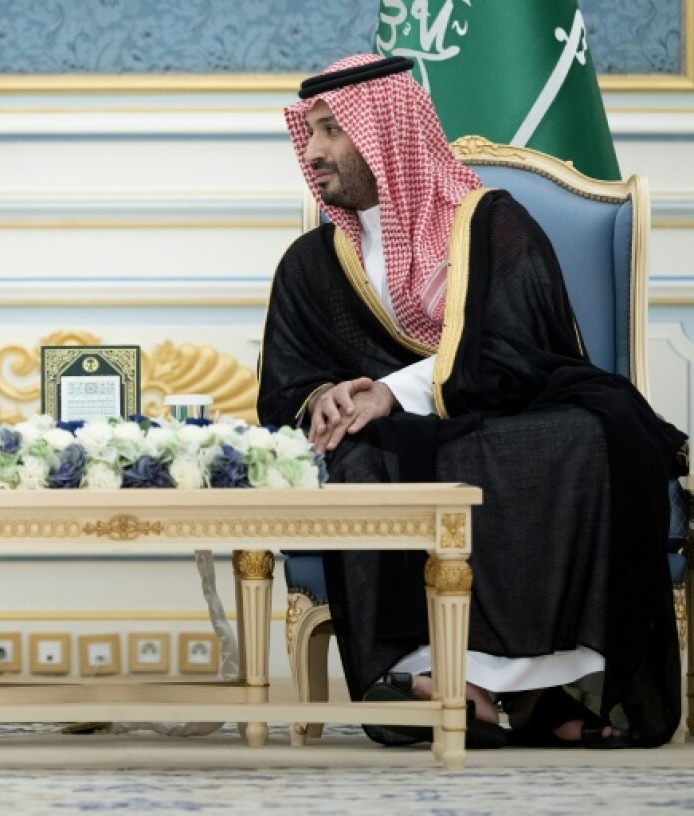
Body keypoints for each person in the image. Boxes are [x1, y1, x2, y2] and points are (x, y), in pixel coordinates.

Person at [258, 54, 685, 749]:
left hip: (510, 408)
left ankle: (553, 692)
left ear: (385, 132)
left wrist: (391, 392)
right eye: (309, 132)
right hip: (403, 442)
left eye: (332, 130)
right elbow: (286, 382)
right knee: (361, 455)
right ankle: (446, 679)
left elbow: (520, 349)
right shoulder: (312, 263)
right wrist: (325, 398)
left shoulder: (489, 224)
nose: (313, 151)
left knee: (581, 436)